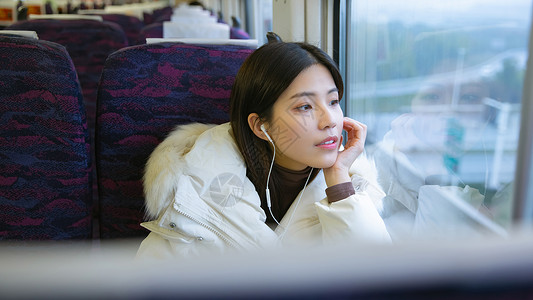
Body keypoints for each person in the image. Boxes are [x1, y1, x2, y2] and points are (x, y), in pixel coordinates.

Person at [136, 37, 391, 259]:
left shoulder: (351, 185)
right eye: (305, 107)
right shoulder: (197, 189)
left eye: (334, 101)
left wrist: (339, 178)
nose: (330, 122)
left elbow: (378, 277)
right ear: (260, 126)